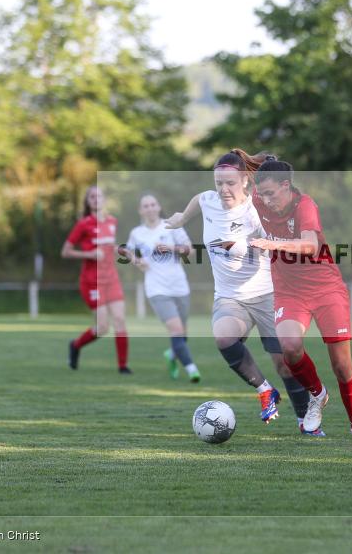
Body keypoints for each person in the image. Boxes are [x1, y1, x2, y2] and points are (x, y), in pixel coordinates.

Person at [165, 150, 316, 433]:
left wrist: (244, 246)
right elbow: (198, 201)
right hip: (230, 296)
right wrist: (181, 219)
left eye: (230, 183)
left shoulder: (258, 209)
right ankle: (264, 390)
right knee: (223, 337)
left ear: (246, 181)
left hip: (267, 294)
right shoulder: (207, 200)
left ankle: (306, 421)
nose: (223, 189)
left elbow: (276, 241)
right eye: (218, 182)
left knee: (285, 364)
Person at [248, 155, 352, 443]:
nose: (265, 200)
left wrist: (271, 243)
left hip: (326, 289)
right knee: (289, 348)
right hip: (289, 291)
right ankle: (318, 395)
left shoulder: (305, 205)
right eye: (262, 194)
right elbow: (232, 185)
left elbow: (310, 245)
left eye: (271, 194)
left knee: (342, 366)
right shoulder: (258, 198)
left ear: (286, 186)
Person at [126, 193, 201, 382]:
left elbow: (191, 251)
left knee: (182, 335)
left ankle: (172, 356)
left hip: (179, 286)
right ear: (140, 211)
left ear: (158, 207)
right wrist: (137, 261)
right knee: (176, 330)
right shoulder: (137, 233)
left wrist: (171, 249)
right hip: (156, 288)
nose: (150, 208)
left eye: (153, 204)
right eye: (145, 206)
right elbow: (127, 251)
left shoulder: (171, 225)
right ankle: (192, 370)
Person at [61, 186, 131, 373]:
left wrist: (120, 249)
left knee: (120, 320)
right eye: (92, 196)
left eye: (98, 196)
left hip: (112, 278)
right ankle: (76, 345)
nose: (95, 199)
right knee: (102, 327)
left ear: (104, 199)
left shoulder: (112, 222)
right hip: (92, 281)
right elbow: (65, 251)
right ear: (88, 201)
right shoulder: (84, 224)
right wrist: (89, 254)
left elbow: (110, 246)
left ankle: (123, 367)